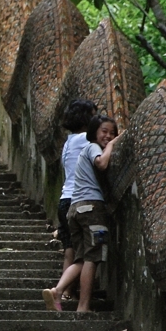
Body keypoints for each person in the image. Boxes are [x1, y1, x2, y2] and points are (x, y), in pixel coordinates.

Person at [42, 114, 122, 312]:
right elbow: (102, 163)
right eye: (104, 131)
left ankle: (57, 291)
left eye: (112, 133)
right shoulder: (93, 147)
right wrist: (113, 144)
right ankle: (83, 306)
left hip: (75, 209)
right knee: (92, 258)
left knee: (81, 258)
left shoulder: (82, 150)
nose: (108, 136)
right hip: (91, 209)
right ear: (94, 131)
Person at [55, 99, 98, 279]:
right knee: (83, 254)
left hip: (64, 200)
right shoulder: (84, 140)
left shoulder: (69, 141)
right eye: (94, 116)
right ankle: (63, 289)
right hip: (78, 199)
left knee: (70, 249)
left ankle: (66, 293)